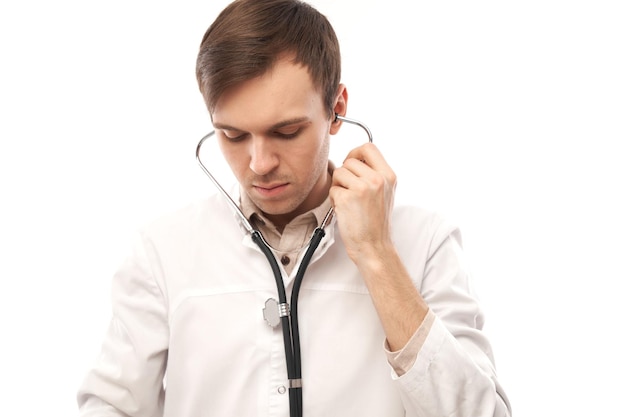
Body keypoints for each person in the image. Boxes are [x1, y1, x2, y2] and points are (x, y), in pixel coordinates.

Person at [77, 0, 512, 416]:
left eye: (286, 132)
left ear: (336, 110)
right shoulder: (162, 250)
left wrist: (377, 254)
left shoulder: (425, 242)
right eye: (232, 135)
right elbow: (110, 406)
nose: (259, 164)